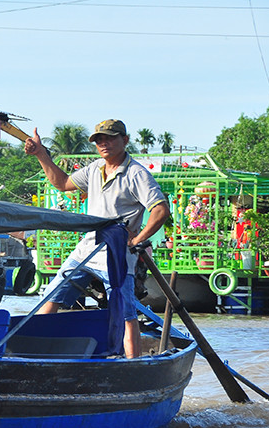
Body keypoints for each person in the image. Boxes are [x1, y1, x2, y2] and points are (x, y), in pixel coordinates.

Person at [24, 118, 169, 358]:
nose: (104, 143)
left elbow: (161, 210)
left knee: (126, 312)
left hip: (117, 252)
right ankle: (31, 351)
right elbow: (62, 183)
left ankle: (134, 365)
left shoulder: (136, 174)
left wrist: (136, 240)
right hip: (89, 247)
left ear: (125, 140)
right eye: (100, 140)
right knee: (52, 295)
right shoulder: (94, 169)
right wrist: (41, 153)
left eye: (110, 138)